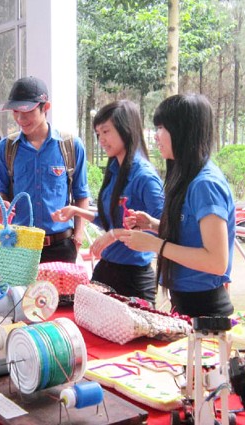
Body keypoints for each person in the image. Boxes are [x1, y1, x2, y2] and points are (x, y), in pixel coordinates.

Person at [119, 94, 235, 317]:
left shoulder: (205, 184)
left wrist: (156, 245)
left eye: (162, 127)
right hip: (185, 302)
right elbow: (192, 235)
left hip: (206, 310)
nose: (155, 136)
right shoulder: (187, 177)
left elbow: (217, 261)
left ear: (183, 131)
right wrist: (153, 224)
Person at [51, 100, 164, 304]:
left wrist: (114, 235)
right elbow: (111, 220)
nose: (101, 139)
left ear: (126, 129)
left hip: (134, 277)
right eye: (98, 133)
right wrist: (77, 211)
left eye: (106, 131)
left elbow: (162, 228)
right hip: (106, 270)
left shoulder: (145, 177)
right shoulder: (114, 171)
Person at [0, 76, 89, 263]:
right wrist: (0, 204)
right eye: (15, 112)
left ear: (45, 107)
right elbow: (2, 190)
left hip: (61, 247)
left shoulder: (71, 146)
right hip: (20, 246)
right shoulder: (6, 148)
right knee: (20, 294)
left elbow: (81, 194)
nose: (20, 119)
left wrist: (78, 236)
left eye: (27, 112)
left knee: (61, 294)